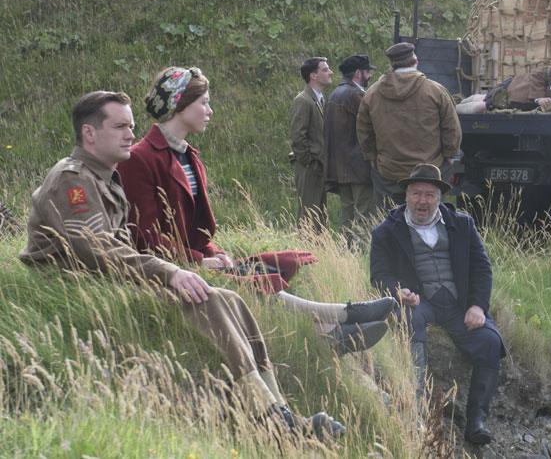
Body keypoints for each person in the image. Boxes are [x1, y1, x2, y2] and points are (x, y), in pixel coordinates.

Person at [21, 91, 345, 440]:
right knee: (208, 299)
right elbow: (96, 249)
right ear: (89, 134)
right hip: (73, 290)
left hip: (101, 281)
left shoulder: (103, 175)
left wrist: (175, 268)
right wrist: (168, 271)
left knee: (230, 299)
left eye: (131, 125)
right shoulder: (74, 180)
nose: (131, 133)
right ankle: (271, 419)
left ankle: (277, 408)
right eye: (120, 126)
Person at [118, 67, 393, 356]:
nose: (210, 110)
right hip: (170, 268)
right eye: (204, 103)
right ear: (180, 104)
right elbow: (144, 237)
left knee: (278, 263)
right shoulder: (140, 158)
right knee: (254, 281)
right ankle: (341, 317)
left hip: (193, 260)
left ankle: (331, 329)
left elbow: (196, 230)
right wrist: (200, 260)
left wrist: (214, 252)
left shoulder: (188, 155)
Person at [369, 164, 505, 446]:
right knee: (409, 318)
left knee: (491, 341)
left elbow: (482, 268)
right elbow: (379, 275)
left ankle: (477, 420)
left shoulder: (462, 224)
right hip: (421, 301)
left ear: (439, 198)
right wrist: (399, 291)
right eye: (416, 193)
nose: (422, 201)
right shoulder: (386, 230)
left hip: (458, 304)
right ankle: (415, 407)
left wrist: (478, 306)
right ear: (406, 195)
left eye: (429, 195)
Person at [357, 42, 462, 207]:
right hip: (430, 171)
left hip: (388, 173)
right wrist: (449, 156)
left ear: (392, 64)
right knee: (427, 219)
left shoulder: (372, 94)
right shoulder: (435, 91)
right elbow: (451, 128)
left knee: (388, 221)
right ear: (415, 61)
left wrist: (371, 157)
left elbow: (364, 131)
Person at [324, 54, 377, 230]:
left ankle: (346, 253)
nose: (370, 76)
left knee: (347, 215)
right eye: (368, 72)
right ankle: (361, 253)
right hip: (359, 167)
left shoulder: (334, 94)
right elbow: (371, 128)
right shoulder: (356, 95)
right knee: (364, 215)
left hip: (341, 168)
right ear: (357, 73)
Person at [289, 57, 332, 228]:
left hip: (319, 166)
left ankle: (319, 251)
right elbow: (298, 136)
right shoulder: (303, 100)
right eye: (325, 69)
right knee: (308, 213)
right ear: (313, 75)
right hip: (310, 167)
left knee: (320, 213)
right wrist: (309, 161)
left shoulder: (320, 99)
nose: (330, 72)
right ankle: (304, 250)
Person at [456, 65, 551, 114]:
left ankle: (453, 107)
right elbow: (537, 73)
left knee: (483, 103)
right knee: (483, 103)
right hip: (518, 88)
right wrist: (538, 97)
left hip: (524, 104)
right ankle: (452, 108)